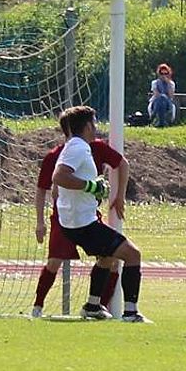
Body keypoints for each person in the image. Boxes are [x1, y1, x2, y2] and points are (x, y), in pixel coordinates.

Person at [51, 105, 147, 323]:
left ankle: (93, 306)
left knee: (107, 256)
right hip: (82, 223)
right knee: (133, 255)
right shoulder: (78, 147)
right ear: (87, 126)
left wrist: (95, 187)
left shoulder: (74, 146)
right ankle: (131, 313)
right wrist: (91, 186)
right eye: (94, 123)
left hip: (76, 221)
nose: (96, 128)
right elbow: (59, 177)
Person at [32, 116, 128, 318]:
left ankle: (98, 306)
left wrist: (119, 196)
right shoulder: (56, 156)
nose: (94, 127)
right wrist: (40, 222)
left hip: (89, 217)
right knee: (54, 261)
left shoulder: (97, 147)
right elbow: (42, 188)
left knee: (112, 258)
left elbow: (122, 163)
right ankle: (37, 307)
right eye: (91, 124)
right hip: (64, 218)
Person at [148, 63, 176, 127]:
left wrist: (168, 83)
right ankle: (162, 121)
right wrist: (162, 97)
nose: (164, 75)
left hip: (167, 103)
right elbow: (156, 94)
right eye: (162, 74)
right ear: (159, 74)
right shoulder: (154, 82)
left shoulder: (171, 83)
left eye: (166, 74)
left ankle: (155, 118)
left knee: (163, 99)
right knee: (161, 99)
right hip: (156, 101)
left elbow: (171, 96)